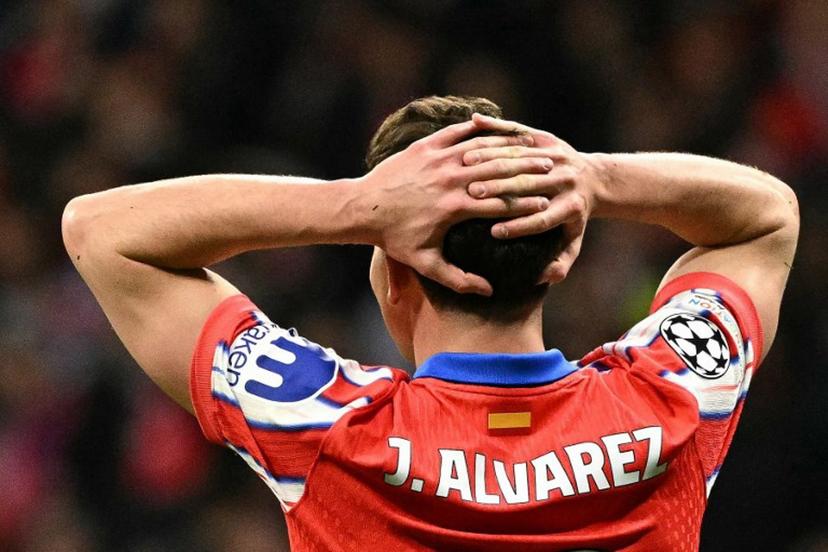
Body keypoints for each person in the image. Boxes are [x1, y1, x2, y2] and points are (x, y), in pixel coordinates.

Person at [62, 96, 799, 551]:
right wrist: (593, 177)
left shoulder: (326, 426)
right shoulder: (674, 399)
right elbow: (768, 218)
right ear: (558, 260)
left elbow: (100, 230)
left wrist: (355, 208)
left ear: (393, 276)